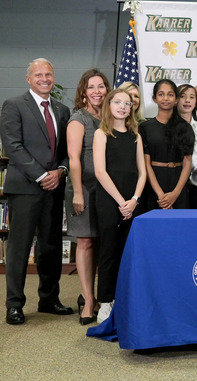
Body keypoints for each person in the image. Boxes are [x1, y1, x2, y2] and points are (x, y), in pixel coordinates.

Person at [1, 58, 73, 325]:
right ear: (28, 79)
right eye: (39, 74)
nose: (45, 78)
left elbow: (67, 150)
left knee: (51, 246)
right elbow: (12, 146)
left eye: (49, 74)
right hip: (25, 188)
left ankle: (49, 299)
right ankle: (14, 305)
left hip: (54, 188)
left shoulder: (62, 110)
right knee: (19, 248)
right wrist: (42, 175)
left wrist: (61, 171)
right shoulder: (14, 105)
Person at [93, 88, 146, 323]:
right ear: (109, 104)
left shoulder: (136, 135)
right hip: (109, 201)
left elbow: (142, 172)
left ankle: (126, 299)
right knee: (109, 252)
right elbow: (100, 171)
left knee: (129, 252)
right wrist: (120, 202)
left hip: (132, 203)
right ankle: (105, 301)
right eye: (117, 102)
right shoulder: (101, 133)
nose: (123, 107)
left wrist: (133, 200)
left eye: (127, 103)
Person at [65, 69, 110, 325]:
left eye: (101, 86)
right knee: (85, 242)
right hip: (83, 189)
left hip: (106, 189)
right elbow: (73, 159)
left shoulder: (110, 116)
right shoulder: (78, 119)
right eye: (91, 87)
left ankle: (101, 297)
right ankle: (87, 300)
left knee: (103, 243)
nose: (97, 91)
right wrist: (79, 191)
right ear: (83, 92)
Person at [139, 79, 194, 211]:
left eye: (170, 94)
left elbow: (187, 162)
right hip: (154, 183)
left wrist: (175, 194)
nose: (166, 98)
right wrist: (160, 195)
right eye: (161, 94)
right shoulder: (145, 127)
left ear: (176, 100)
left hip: (178, 183)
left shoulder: (185, 127)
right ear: (154, 98)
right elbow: (146, 163)